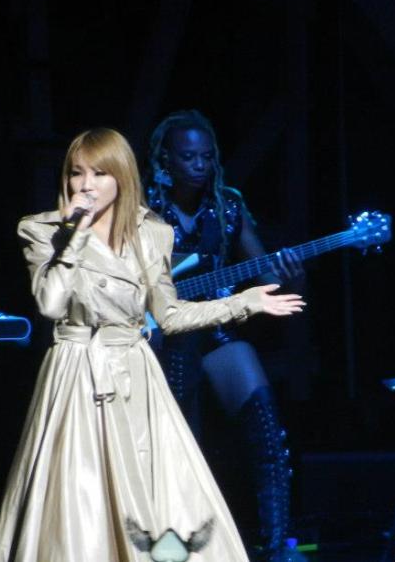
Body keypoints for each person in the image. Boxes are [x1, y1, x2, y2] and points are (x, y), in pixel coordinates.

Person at [0, 128, 304, 562]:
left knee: (161, 489)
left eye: (99, 173)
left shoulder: (152, 232)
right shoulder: (42, 229)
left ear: (121, 176)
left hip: (136, 374)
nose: (85, 184)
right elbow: (50, 303)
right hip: (78, 370)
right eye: (77, 173)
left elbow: (170, 315)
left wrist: (243, 303)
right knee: (81, 492)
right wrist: (74, 235)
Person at [144, 109, 304, 561]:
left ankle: (276, 544)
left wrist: (287, 272)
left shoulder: (228, 205)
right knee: (181, 439)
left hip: (213, 327)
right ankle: (175, 544)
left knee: (266, 426)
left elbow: (265, 276)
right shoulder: (143, 207)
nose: (200, 165)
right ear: (166, 160)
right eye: (188, 157)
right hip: (160, 337)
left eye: (207, 156)